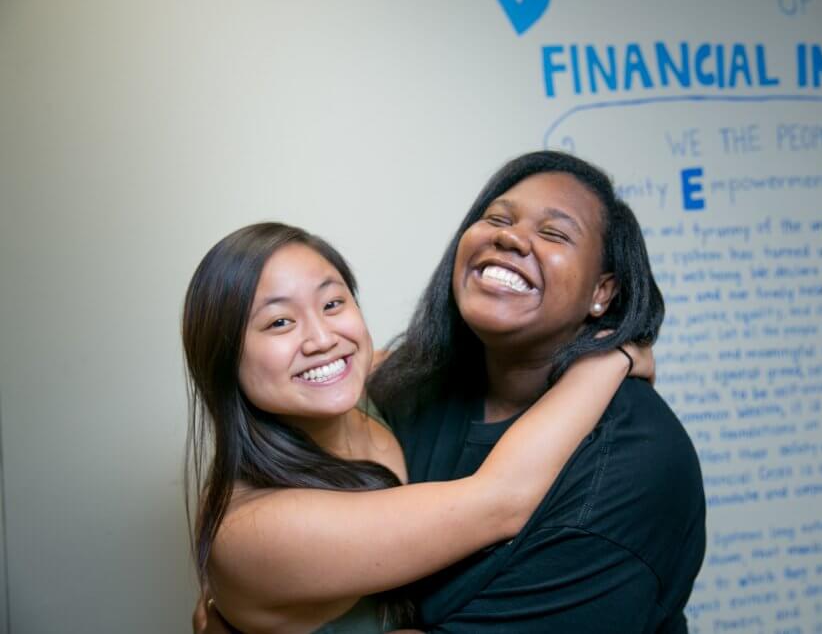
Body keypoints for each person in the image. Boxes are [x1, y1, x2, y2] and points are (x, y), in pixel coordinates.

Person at [183, 222, 652, 633]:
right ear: (224, 362)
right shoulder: (253, 529)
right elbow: (501, 503)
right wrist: (611, 357)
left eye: (332, 302)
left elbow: (403, 355)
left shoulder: (355, 390)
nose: (323, 339)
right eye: (280, 322)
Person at [369, 150, 707, 632]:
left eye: (554, 233)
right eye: (496, 219)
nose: (508, 236)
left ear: (602, 293)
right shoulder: (411, 391)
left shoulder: (637, 465)